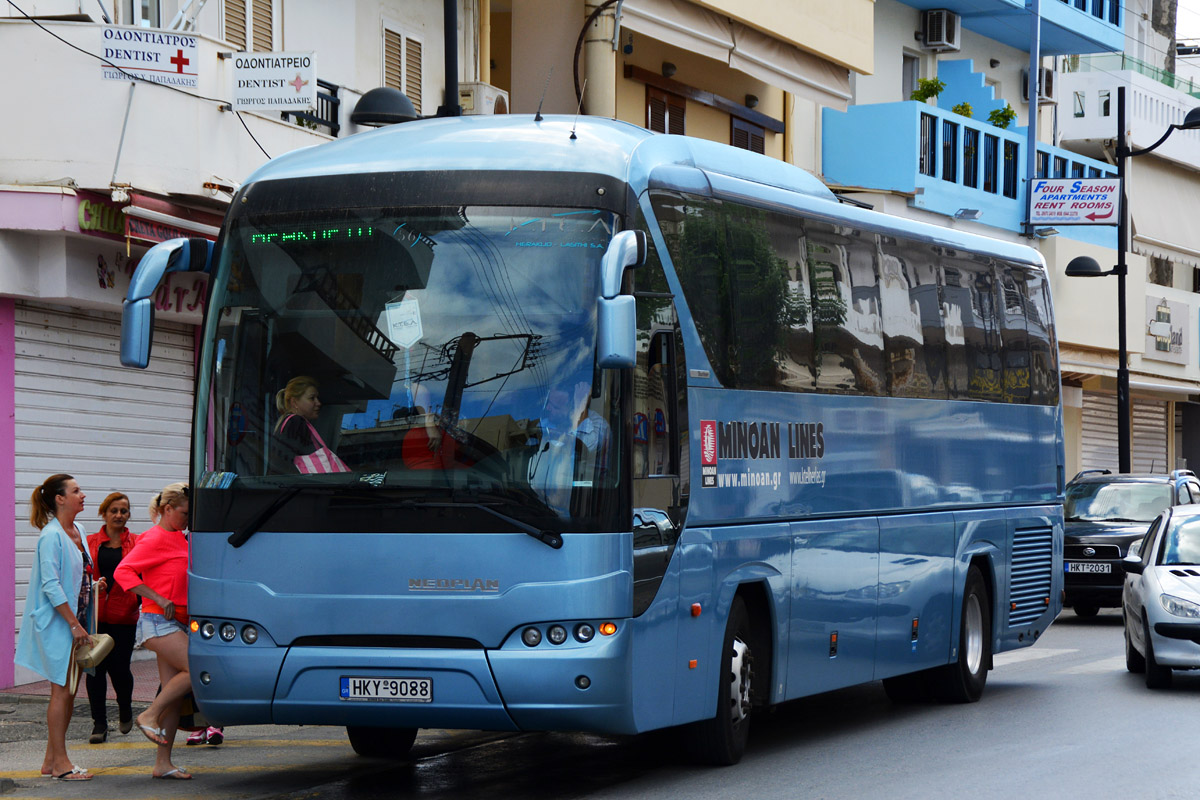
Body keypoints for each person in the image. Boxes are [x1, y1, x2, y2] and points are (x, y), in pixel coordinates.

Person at [15, 474, 95, 781]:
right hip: (59, 623)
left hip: (76, 621)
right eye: (76, 491)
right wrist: (74, 625)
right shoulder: (50, 535)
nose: (83, 495)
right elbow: (50, 585)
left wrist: (92, 584)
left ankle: (51, 760)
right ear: (60, 499)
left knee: (70, 690)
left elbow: (75, 573)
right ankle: (61, 765)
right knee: (61, 691)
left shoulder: (79, 529)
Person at [114, 483, 193, 780]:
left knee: (174, 695)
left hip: (177, 621)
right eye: (184, 512)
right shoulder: (156, 537)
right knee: (195, 668)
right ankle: (148, 714)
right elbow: (123, 571)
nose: (187, 518)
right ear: (167, 509)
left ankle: (163, 763)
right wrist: (158, 597)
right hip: (158, 621)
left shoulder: (179, 538)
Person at [85, 492, 140, 744]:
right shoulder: (89, 542)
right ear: (104, 513)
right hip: (95, 617)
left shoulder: (137, 543)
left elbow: (144, 576)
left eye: (124, 511)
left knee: (119, 669)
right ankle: (99, 724)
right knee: (94, 669)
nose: (119, 515)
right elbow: (81, 574)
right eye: (114, 510)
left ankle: (125, 708)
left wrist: (136, 601)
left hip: (124, 616)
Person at [274, 375, 349, 473]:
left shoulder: (287, 423)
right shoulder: (296, 422)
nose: (318, 403)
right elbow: (282, 463)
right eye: (312, 398)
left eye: (317, 398)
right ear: (294, 402)